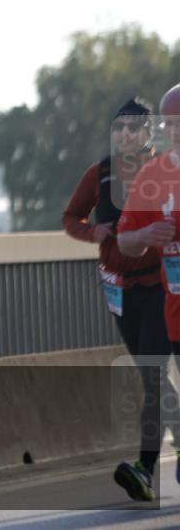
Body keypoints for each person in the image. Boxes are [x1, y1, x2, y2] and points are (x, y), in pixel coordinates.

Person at [62, 97, 180, 501]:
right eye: (119, 128)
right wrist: (91, 233)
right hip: (120, 289)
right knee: (153, 376)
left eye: (134, 127)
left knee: (151, 372)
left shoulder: (164, 170)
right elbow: (71, 218)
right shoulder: (101, 173)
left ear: (151, 133)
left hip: (159, 287)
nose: (125, 135)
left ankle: (146, 467)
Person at [117, 83, 180, 488]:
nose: (175, 130)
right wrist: (146, 235)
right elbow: (124, 240)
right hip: (174, 307)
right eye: (170, 123)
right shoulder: (152, 175)